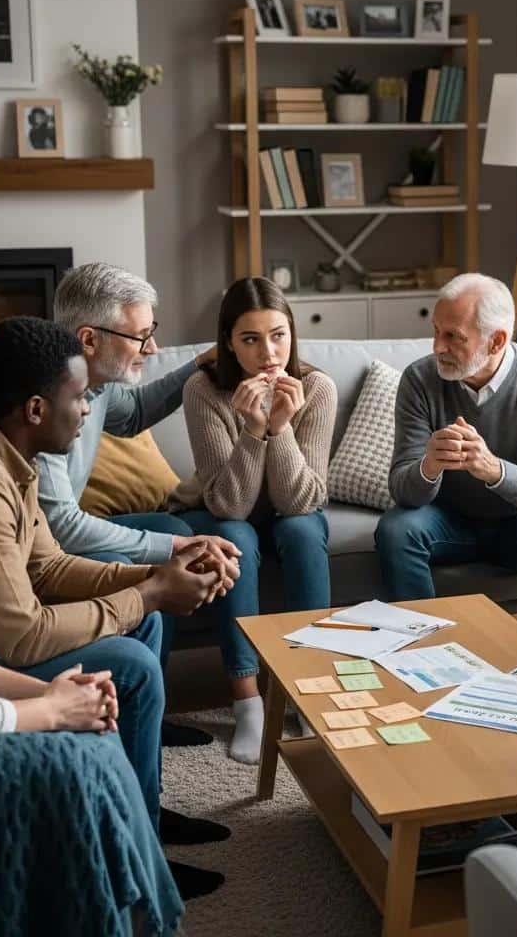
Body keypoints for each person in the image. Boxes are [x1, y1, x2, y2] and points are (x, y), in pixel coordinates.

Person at [0, 318, 231, 900]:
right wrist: (149, 592)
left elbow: (50, 569)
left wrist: (160, 577)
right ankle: (131, 861)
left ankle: (143, 816)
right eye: (79, 397)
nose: (89, 411)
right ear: (37, 409)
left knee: (147, 619)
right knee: (132, 661)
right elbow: (22, 638)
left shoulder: (10, 455)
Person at [38, 262, 256, 750]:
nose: (152, 347)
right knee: (168, 542)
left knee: (164, 525)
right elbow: (63, 529)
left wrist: (202, 363)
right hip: (48, 551)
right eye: (141, 335)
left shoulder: (98, 384)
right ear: (89, 339)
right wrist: (177, 543)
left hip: (65, 534)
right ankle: (143, 710)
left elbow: (134, 414)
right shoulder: (46, 402)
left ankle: (148, 711)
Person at [169, 276, 337, 760]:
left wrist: (280, 427)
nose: (269, 352)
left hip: (291, 508)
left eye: (278, 335)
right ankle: (248, 703)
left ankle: (309, 689)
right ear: (228, 343)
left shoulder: (317, 388)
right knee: (231, 534)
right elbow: (230, 504)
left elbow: (301, 499)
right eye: (251, 339)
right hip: (223, 507)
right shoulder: (202, 390)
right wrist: (253, 429)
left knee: (303, 530)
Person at [375, 273, 517, 650]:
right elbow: (402, 489)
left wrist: (494, 469)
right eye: (436, 331)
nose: (437, 346)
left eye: (453, 336)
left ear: (497, 340)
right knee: (396, 529)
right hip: (449, 522)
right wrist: (429, 466)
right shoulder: (420, 379)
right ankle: (426, 655)